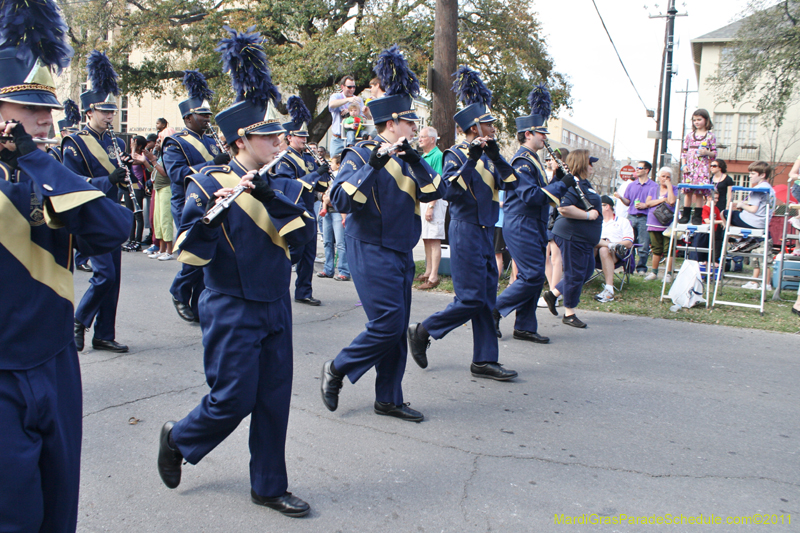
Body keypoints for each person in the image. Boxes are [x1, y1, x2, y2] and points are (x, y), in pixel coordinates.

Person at [157, 27, 315, 517]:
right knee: (232, 398)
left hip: (274, 303)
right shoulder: (205, 182)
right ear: (240, 140)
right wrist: (216, 211)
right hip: (229, 303)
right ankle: (179, 437)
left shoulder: (284, 177)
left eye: (277, 134)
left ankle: (268, 485)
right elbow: (189, 250)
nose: (277, 141)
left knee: (273, 399)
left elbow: (304, 240)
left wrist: (267, 193)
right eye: (267, 136)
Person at [0, 7, 133, 528]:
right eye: (29, 109)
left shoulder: (46, 170)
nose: (46, 121)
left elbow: (114, 228)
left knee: (59, 507)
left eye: (49, 110)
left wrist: (34, 159)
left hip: (55, 362)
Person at [321, 45, 445, 422]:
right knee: (389, 324)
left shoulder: (413, 159)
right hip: (369, 246)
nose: (415, 129)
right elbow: (342, 199)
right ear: (392, 124)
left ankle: (388, 397)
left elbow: (435, 191)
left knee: (395, 324)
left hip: (398, 250)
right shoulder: (360, 154)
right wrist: (375, 164)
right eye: (410, 124)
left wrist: (411, 159)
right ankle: (338, 368)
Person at [407, 65, 518, 380]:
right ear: (475, 127)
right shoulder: (454, 154)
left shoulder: (491, 155)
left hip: (486, 231)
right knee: (471, 297)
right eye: (489, 124)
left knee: (486, 299)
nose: (494, 128)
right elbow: (451, 191)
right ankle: (424, 330)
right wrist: (472, 157)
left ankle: (484, 360)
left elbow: (512, 183)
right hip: (465, 229)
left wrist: (495, 156)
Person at [63, 50, 133, 354]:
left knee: (114, 278)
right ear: (88, 113)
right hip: (90, 215)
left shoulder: (115, 141)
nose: (109, 116)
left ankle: (104, 333)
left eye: (111, 111)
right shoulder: (75, 142)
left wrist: (124, 174)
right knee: (105, 274)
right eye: (103, 112)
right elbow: (72, 182)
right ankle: (79, 321)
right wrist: (109, 180)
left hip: (112, 211)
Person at [492, 85, 570, 343]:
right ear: (528, 134)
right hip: (521, 224)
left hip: (533, 225)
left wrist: (557, 177)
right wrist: (562, 185)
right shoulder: (522, 162)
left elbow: (540, 192)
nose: (545, 138)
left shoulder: (533, 159)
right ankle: (494, 310)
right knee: (533, 275)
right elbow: (532, 196)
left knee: (534, 278)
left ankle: (524, 326)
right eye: (541, 133)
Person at [163, 70, 230, 322]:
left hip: (215, 201)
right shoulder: (175, 142)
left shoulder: (212, 141)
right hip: (189, 203)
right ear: (188, 116)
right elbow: (177, 173)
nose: (207, 119)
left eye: (208, 115)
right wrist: (213, 163)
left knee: (211, 253)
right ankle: (179, 291)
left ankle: (200, 303)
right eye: (202, 115)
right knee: (195, 252)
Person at [272, 96, 331, 305]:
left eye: (306, 137)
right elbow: (289, 186)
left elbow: (317, 186)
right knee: (294, 252)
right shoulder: (284, 160)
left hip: (309, 208)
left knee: (309, 254)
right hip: (293, 209)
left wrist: (323, 173)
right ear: (289, 137)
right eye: (300, 137)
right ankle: (274, 284)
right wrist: (316, 175)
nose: (305, 141)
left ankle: (304, 291)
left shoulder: (308, 157)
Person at [541, 150, 602, 328]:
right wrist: (588, 216)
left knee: (587, 270)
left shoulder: (585, 183)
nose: (592, 166)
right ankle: (569, 313)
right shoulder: (571, 183)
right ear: (583, 164)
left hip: (583, 238)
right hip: (572, 236)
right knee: (575, 273)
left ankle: (553, 294)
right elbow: (564, 208)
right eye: (590, 162)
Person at [725, 161, 775, 289]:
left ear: (762, 175)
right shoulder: (771, 189)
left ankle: (738, 238)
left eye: (753, 173)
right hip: (762, 225)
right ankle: (761, 282)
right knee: (761, 256)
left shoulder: (758, 189)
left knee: (724, 213)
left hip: (752, 223)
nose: (750, 176)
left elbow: (753, 209)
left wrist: (742, 205)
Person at [416, 126, 446, 289]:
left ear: (432, 139)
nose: (419, 139)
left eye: (423, 137)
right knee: (427, 237)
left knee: (434, 238)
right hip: (425, 199)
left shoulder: (438, 156)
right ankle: (428, 272)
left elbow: (438, 181)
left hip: (434, 200)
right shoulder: (425, 156)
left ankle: (434, 276)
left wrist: (431, 206)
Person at [539, 147, 569, 309]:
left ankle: (554, 293)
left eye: (551, 159)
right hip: (549, 220)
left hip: (558, 219)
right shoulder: (554, 177)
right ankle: (552, 290)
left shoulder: (564, 176)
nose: (549, 162)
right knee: (546, 256)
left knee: (556, 258)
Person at [593, 196, 634, 303]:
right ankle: (574, 282)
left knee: (604, 249)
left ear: (607, 207)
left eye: (598, 205)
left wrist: (611, 244)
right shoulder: (596, 221)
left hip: (615, 253)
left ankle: (609, 290)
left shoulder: (622, 221)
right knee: (589, 242)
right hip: (593, 251)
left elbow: (629, 242)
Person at [679, 109, 717, 225]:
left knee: (699, 192)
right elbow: (684, 152)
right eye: (694, 120)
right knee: (688, 191)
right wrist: (684, 165)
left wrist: (707, 153)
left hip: (702, 166)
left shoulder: (710, 136)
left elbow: (714, 154)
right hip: (690, 166)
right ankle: (686, 214)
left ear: (706, 120)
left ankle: (697, 215)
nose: (697, 122)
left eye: (699, 119)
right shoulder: (689, 136)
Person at [619, 160, 657, 274]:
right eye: (637, 167)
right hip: (631, 216)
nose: (637, 170)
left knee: (643, 245)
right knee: (628, 243)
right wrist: (621, 198)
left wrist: (645, 205)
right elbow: (627, 202)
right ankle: (628, 268)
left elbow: (656, 202)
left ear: (647, 170)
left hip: (644, 217)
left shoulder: (654, 186)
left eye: (640, 168)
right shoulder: (631, 185)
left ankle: (641, 268)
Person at [317, 155, 350, 280]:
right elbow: (320, 190)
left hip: (338, 211)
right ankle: (328, 269)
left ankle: (344, 271)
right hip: (327, 212)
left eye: (333, 163)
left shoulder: (342, 176)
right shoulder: (328, 176)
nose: (330, 165)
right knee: (327, 242)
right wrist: (323, 199)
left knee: (341, 243)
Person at [643, 167, 678, 282]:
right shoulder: (653, 189)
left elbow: (672, 201)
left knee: (668, 248)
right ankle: (654, 272)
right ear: (658, 177)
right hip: (653, 222)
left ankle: (668, 274)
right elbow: (648, 203)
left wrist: (669, 187)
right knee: (656, 248)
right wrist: (663, 200)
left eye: (668, 177)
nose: (665, 179)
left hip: (668, 224)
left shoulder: (674, 189)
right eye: (663, 176)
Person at [121, 135, 148, 251]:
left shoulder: (142, 156)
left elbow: (133, 161)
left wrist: (133, 149)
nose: (131, 144)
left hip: (138, 186)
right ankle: (131, 239)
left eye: (133, 143)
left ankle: (138, 241)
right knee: (129, 213)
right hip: (129, 186)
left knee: (138, 214)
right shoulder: (129, 153)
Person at [328, 75, 363, 156]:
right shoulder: (336, 96)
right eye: (349, 87)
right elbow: (331, 105)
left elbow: (363, 119)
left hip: (352, 139)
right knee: (335, 164)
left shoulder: (358, 100)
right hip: (338, 139)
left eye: (354, 87)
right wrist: (347, 100)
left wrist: (364, 112)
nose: (352, 89)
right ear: (342, 87)